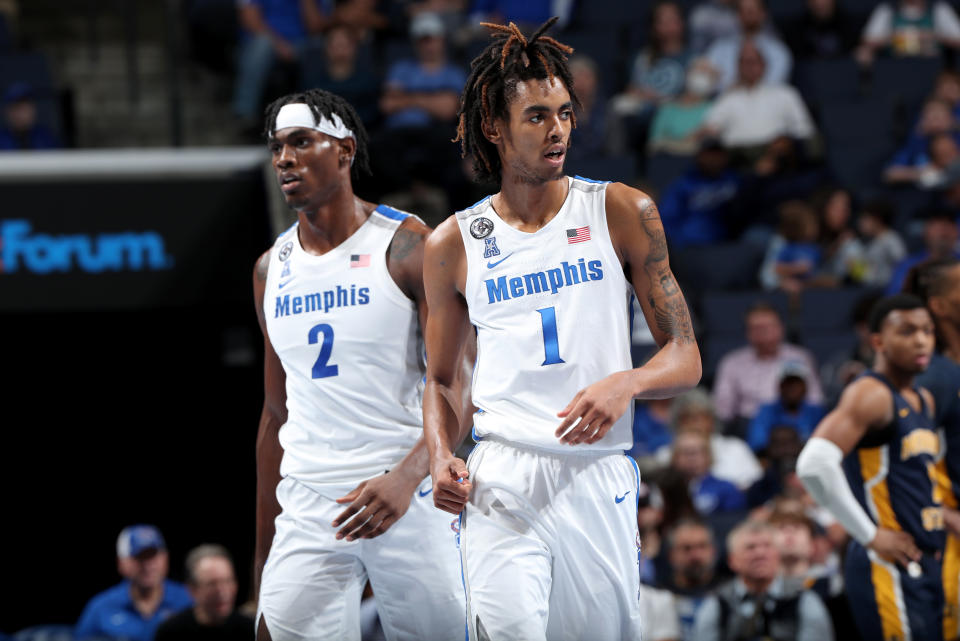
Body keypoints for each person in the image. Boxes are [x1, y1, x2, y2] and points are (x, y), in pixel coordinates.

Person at [423, 18, 702, 641]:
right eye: (537, 117)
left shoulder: (622, 210)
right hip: (501, 477)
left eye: (565, 114)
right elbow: (442, 381)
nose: (557, 131)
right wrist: (441, 456)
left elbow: (685, 356)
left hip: (595, 473)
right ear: (493, 127)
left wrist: (626, 383)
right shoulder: (452, 244)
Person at [252, 88, 464, 641]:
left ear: (344, 151)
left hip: (407, 491)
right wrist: (263, 549)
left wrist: (408, 477)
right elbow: (276, 413)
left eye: (301, 142)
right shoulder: (268, 269)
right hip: (310, 499)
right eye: (277, 147)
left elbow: (458, 386)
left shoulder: (409, 245)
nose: (284, 158)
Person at [796, 294, 945, 641]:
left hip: (924, 561)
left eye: (927, 330)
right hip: (887, 566)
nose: (921, 340)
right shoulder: (871, 393)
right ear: (877, 341)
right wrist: (870, 535)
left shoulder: (923, 398)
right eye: (907, 331)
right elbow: (814, 465)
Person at [906, 258, 960, 640]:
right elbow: (900, 454)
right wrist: (944, 513)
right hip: (946, 539)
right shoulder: (931, 376)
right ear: (938, 306)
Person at [691, 520, 834, 641]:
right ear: (732, 560)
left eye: (767, 546)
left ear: (777, 555)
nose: (760, 553)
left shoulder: (803, 600)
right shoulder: (718, 604)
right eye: (750, 547)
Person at [713, 302, 824, 425]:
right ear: (747, 332)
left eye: (768, 326)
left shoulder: (800, 357)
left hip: (792, 422)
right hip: (747, 424)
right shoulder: (732, 362)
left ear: (781, 328)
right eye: (757, 328)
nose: (763, 332)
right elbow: (722, 410)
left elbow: (815, 399)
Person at [75, 525, 192, 641]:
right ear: (121, 563)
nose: (148, 566)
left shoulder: (188, 600)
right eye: (139, 558)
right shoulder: (100, 608)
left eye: (153, 556)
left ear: (165, 558)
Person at [699, 40, 815, 155]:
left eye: (753, 61)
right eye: (743, 62)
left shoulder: (785, 94)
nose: (748, 67)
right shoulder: (728, 97)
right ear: (738, 67)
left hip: (776, 156)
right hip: (735, 157)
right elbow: (710, 128)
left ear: (764, 64)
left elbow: (804, 130)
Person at [154, 544, 253, 640]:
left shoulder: (251, 630)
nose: (222, 592)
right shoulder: (170, 633)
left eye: (228, 581)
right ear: (192, 589)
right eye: (212, 584)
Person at [704, 0, 792, 92]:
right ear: (737, 15)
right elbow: (709, 83)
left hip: (765, 104)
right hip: (726, 102)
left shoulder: (778, 50)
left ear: (763, 14)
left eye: (752, 10)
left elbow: (774, 84)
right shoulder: (719, 48)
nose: (748, 14)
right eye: (743, 10)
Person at [661, 518, 721, 641]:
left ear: (713, 551)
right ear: (671, 555)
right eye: (686, 548)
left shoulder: (729, 594)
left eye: (702, 546)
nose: (695, 555)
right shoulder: (657, 595)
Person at [747, 361, 826, 453]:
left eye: (796, 383)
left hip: (809, 462)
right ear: (780, 386)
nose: (792, 388)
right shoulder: (766, 411)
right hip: (775, 464)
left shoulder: (816, 412)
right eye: (788, 383)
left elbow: (825, 446)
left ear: (805, 387)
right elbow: (757, 445)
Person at [858, 0, 960, 63]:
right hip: (894, 62)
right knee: (862, 53)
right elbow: (868, 40)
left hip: (932, 63)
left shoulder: (939, 8)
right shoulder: (888, 9)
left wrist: (934, 36)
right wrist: (894, 38)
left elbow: (957, 40)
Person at [0, 81, 60, 150]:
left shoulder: (46, 137)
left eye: (26, 108)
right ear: (8, 112)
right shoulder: (2, 139)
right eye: (17, 108)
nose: (22, 114)